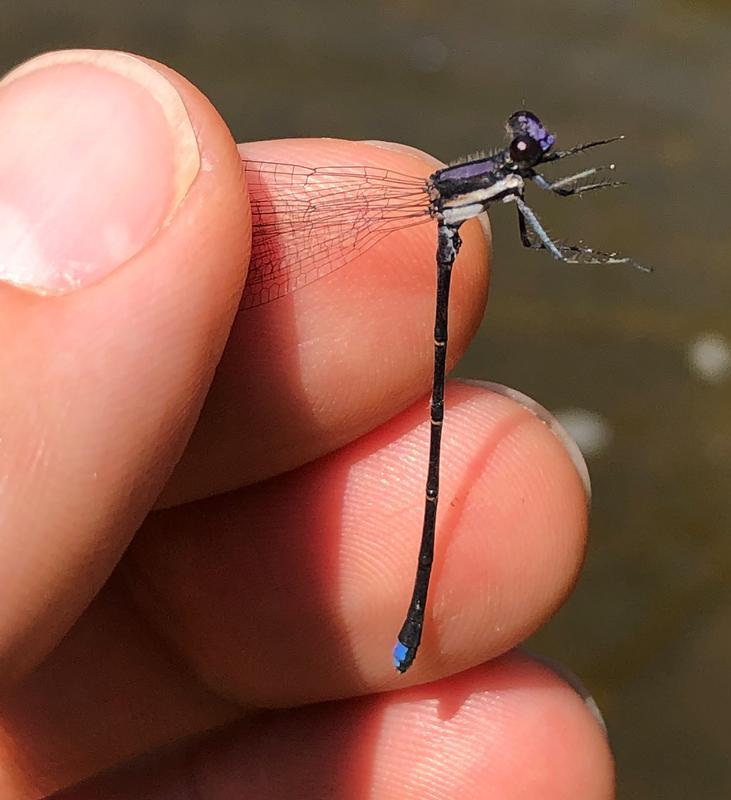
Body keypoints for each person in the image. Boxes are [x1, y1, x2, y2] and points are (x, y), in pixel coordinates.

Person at [0, 49, 613, 799]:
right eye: (525, 152)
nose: (531, 156)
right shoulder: (488, 189)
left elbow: (532, 215)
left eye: (530, 153)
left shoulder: (505, 183)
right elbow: (535, 229)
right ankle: (410, 619)